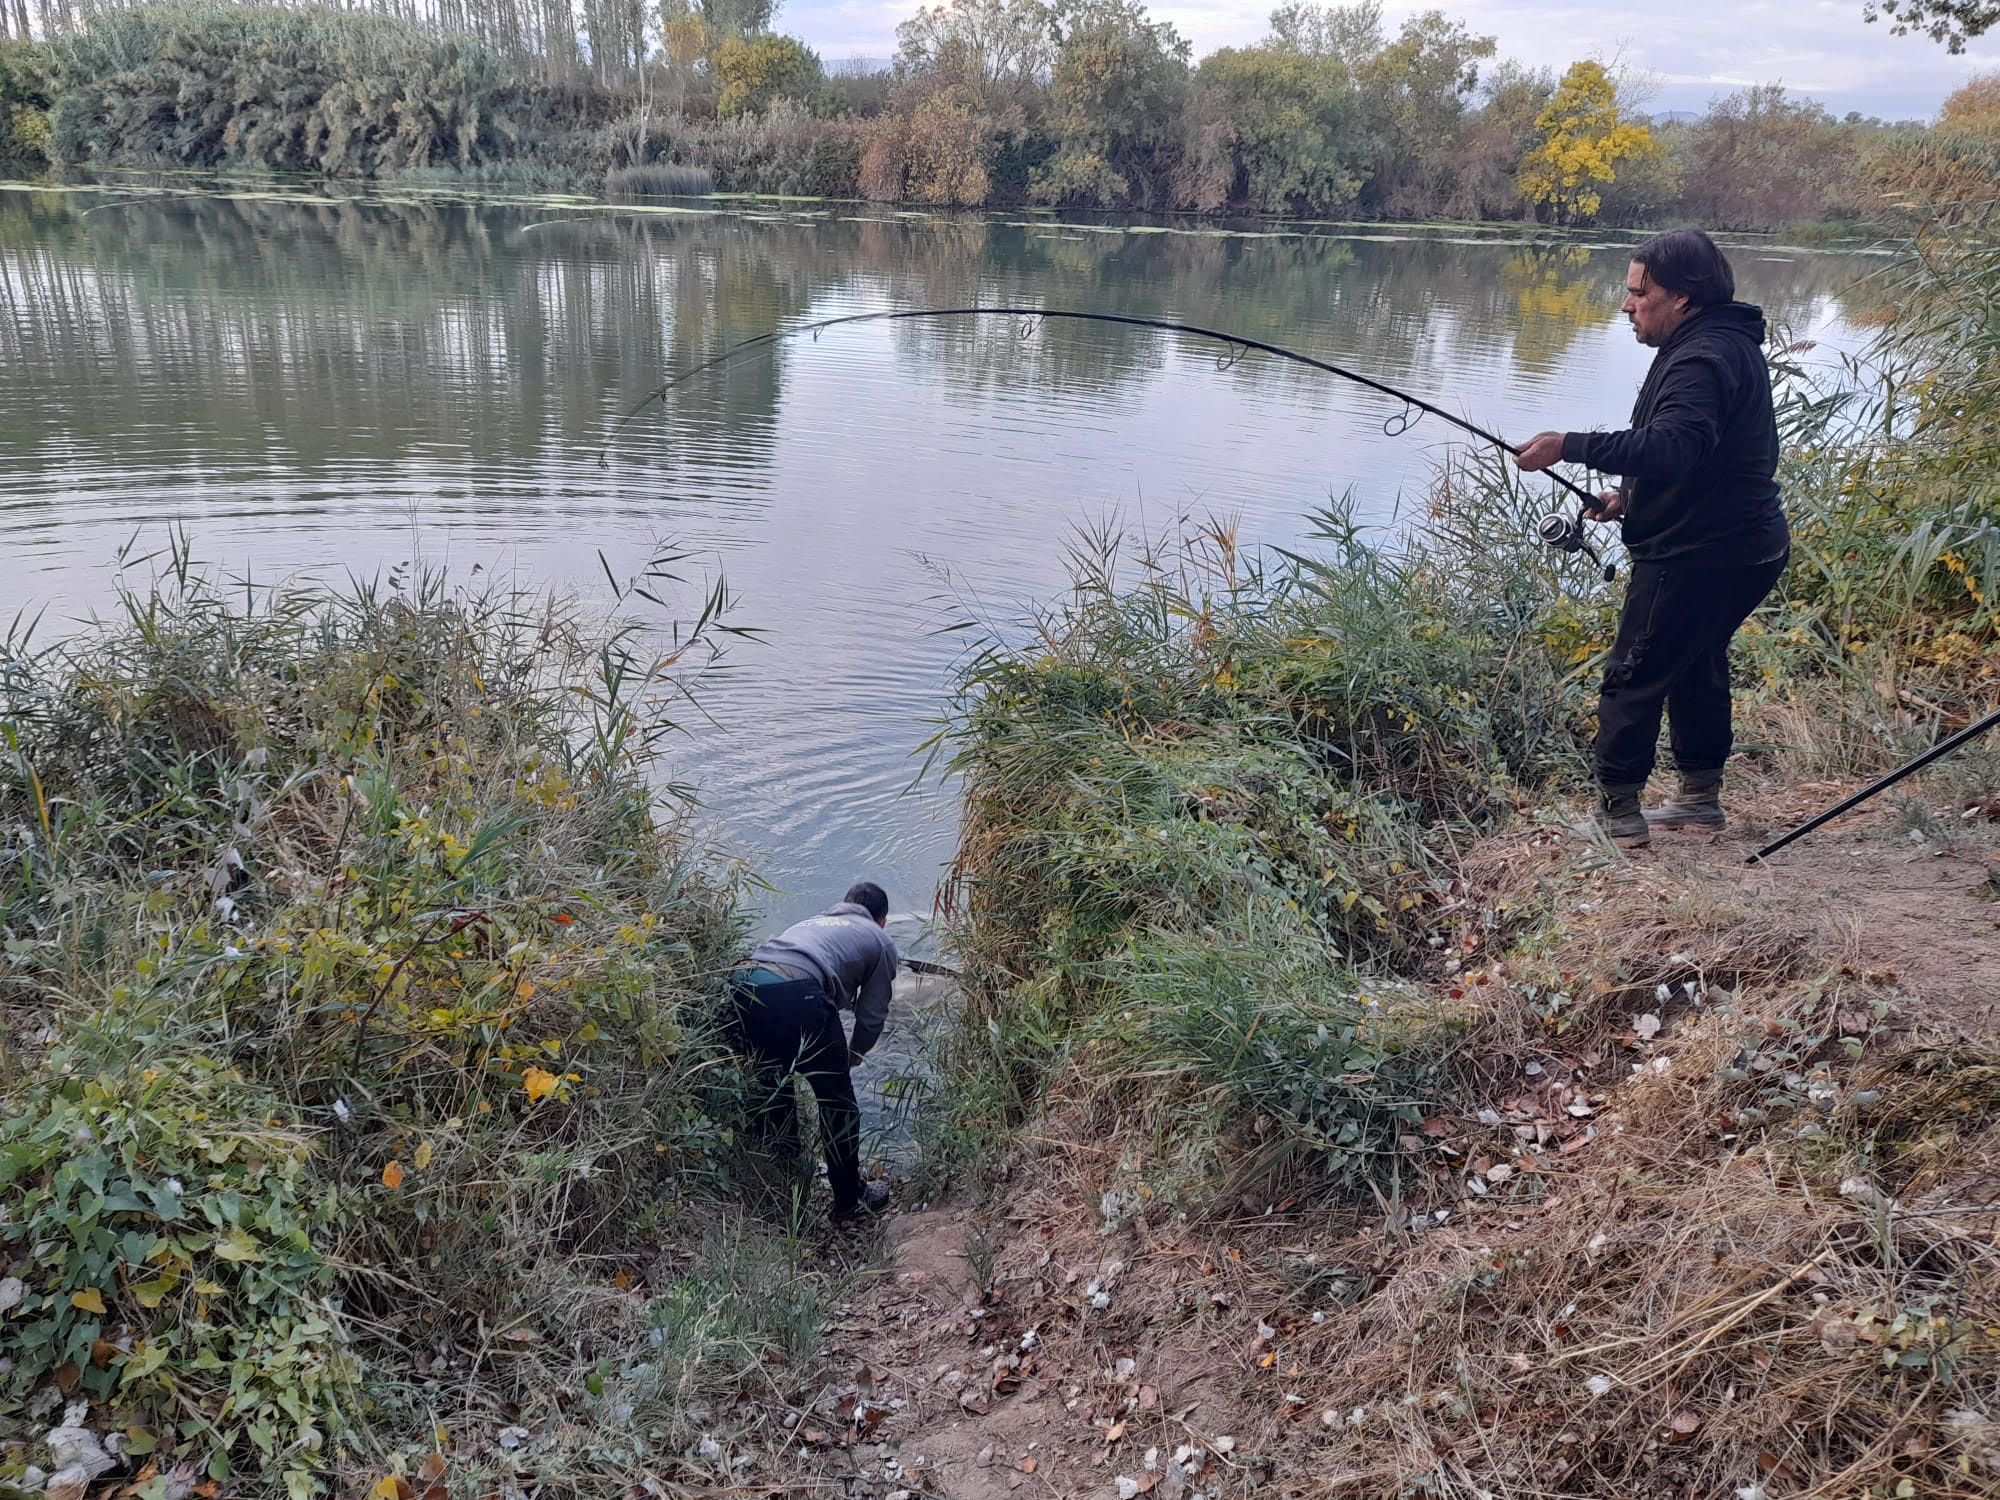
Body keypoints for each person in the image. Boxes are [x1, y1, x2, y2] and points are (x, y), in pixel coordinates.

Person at [1514, 228, 1790, 846]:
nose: (1626, 304)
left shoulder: (1700, 357)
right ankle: (1699, 800)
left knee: (1632, 673)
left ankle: (1617, 816)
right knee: (1695, 660)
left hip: (1702, 553)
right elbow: (1703, 458)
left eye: (1639, 293)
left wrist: (1570, 446)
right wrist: (1630, 497)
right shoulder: (1718, 343)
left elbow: (1674, 446)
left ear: (1682, 299)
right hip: (1746, 543)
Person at [727, 881, 899, 1222]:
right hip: (799, 992)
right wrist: (854, 1055)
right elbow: (872, 1014)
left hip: (744, 985)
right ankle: (849, 1201)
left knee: (774, 1085)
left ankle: (784, 1185)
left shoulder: (812, 923)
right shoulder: (880, 940)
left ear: (843, 904)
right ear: (882, 920)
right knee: (837, 1102)